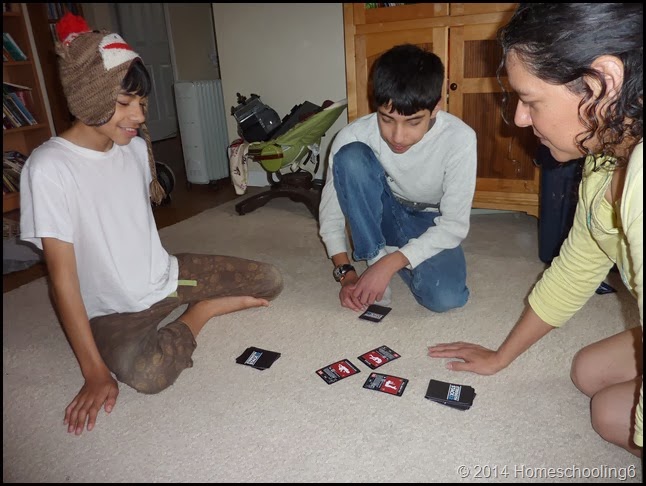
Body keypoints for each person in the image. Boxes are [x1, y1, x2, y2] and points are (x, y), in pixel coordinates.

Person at [19, 13, 283, 436]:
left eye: (141, 103)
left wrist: (165, 275)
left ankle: (192, 297)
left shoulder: (133, 149)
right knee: (149, 374)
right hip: (114, 312)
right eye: (125, 103)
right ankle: (201, 312)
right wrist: (93, 371)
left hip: (170, 279)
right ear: (89, 95)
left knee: (269, 281)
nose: (139, 116)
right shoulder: (49, 167)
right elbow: (62, 281)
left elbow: (130, 228)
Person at [428, 3, 642, 457]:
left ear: (603, 84)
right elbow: (575, 270)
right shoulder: (606, 158)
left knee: (610, 414)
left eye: (531, 100)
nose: (521, 119)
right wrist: (501, 357)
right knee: (588, 371)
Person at [318, 44, 477, 313]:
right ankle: (375, 253)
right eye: (387, 119)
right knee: (352, 157)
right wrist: (347, 274)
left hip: (430, 219)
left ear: (436, 107)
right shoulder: (353, 136)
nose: (398, 137)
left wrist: (390, 264)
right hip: (381, 211)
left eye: (413, 122)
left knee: (446, 298)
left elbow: (454, 226)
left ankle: (390, 254)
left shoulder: (460, 139)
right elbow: (332, 213)